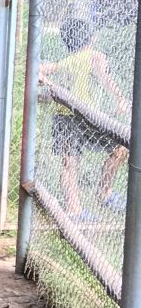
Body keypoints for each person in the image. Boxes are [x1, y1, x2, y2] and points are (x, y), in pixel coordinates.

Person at [39, 17, 128, 220]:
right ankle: (102, 194)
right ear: (91, 37)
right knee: (119, 148)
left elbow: (41, 69)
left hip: (69, 117)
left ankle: (76, 208)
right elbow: (106, 78)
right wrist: (120, 99)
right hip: (82, 117)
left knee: (70, 162)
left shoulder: (65, 61)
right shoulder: (94, 56)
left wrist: (46, 81)